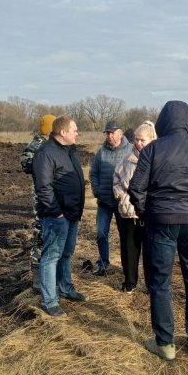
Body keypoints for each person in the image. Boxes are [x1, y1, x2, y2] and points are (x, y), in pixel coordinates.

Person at [129, 101, 188, 361]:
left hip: (161, 222)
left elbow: (136, 189)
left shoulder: (153, 149)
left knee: (161, 283)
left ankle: (165, 344)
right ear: (187, 122)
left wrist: (147, 214)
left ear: (163, 121)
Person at [32, 116, 89, 317]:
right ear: (63, 132)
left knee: (66, 254)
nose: (77, 133)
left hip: (72, 214)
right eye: (74, 130)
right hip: (56, 217)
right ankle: (49, 301)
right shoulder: (46, 153)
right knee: (51, 257)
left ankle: (66, 289)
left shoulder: (70, 150)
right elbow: (43, 187)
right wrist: (57, 212)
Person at [112, 120, 157, 293]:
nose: (138, 143)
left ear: (152, 140)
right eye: (136, 139)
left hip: (150, 214)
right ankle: (130, 282)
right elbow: (116, 179)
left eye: (142, 140)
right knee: (129, 250)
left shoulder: (157, 160)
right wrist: (121, 195)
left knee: (151, 252)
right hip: (129, 212)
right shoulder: (126, 160)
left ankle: (151, 284)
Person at [89, 120, 133, 276]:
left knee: (125, 236)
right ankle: (103, 264)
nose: (109, 136)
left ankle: (127, 267)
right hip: (104, 202)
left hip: (122, 203)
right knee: (101, 234)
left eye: (112, 133)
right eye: (107, 133)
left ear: (120, 133)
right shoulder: (101, 152)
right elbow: (93, 173)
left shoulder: (131, 150)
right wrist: (97, 190)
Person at [20, 114, 56, 290]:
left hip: (50, 195)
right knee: (40, 233)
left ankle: (47, 275)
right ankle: (37, 277)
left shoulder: (50, 144)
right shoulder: (37, 145)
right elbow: (25, 165)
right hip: (42, 197)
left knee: (47, 233)